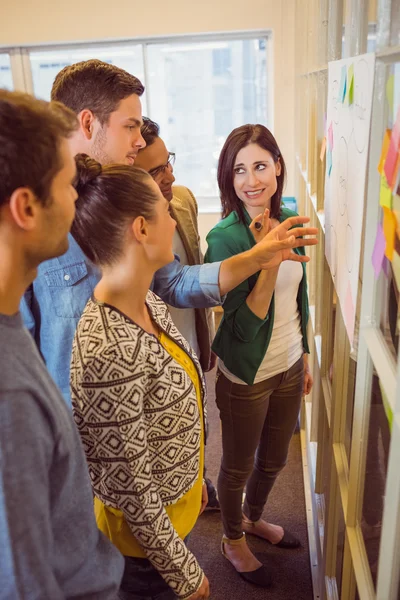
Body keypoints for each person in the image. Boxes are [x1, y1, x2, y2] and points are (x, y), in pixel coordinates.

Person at [20, 59, 317, 406]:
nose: (137, 140)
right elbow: (18, 360)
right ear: (88, 123)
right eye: (130, 127)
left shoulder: (126, 197)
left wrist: (258, 256)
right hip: (80, 429)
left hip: (155, 399)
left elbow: (174, 283)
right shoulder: (29, 220)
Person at [69, 154, 210, 600]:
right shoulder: (107, 350)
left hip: (173, 518)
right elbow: (134, 493)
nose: (173, 219)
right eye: (165, 211)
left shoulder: (144, 301)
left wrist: (193, 481)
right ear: (141, 228)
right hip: (145, 558)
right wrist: (187, 577)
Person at [0, 90, 123, 598]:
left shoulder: (12, 324)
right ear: (27, 207)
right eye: (68, 184)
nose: (78, 199)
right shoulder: (11, 399)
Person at [204, 124, 316, 587]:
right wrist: (268, 260)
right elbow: (245, 328)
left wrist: (305, 353)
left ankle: (252, 518)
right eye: (240, 170)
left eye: (261, 166)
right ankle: (232, 540)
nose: (252, 180)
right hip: (246, 376)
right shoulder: (225, 239)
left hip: (289, 365)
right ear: (228, 179)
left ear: (278, 167)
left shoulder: (289, 215)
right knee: (237, 465)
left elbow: (300, 295)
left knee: (274, 461)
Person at [135, 117, 219, 511]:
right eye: (156, 171)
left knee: (199, 427)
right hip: (157, 363)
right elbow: (175, 283)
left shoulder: (183, 200)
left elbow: (190, 266)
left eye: (168, 161)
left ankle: (199, 481)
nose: (171, 175)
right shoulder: (124, 229)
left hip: (189, 348)